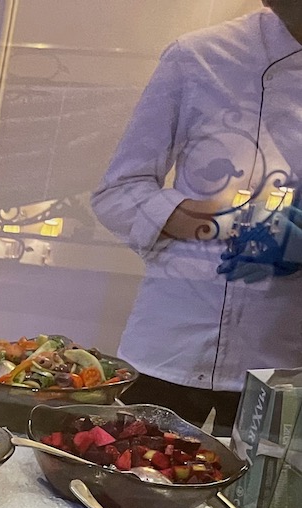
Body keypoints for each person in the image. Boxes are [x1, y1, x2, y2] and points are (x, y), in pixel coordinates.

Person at [91, 1, 302, 433]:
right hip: (167, 347)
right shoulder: (200, 57)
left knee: (259, 498)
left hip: (280, 368)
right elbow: (118, 193)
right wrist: (222, 223)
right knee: (126, 485)